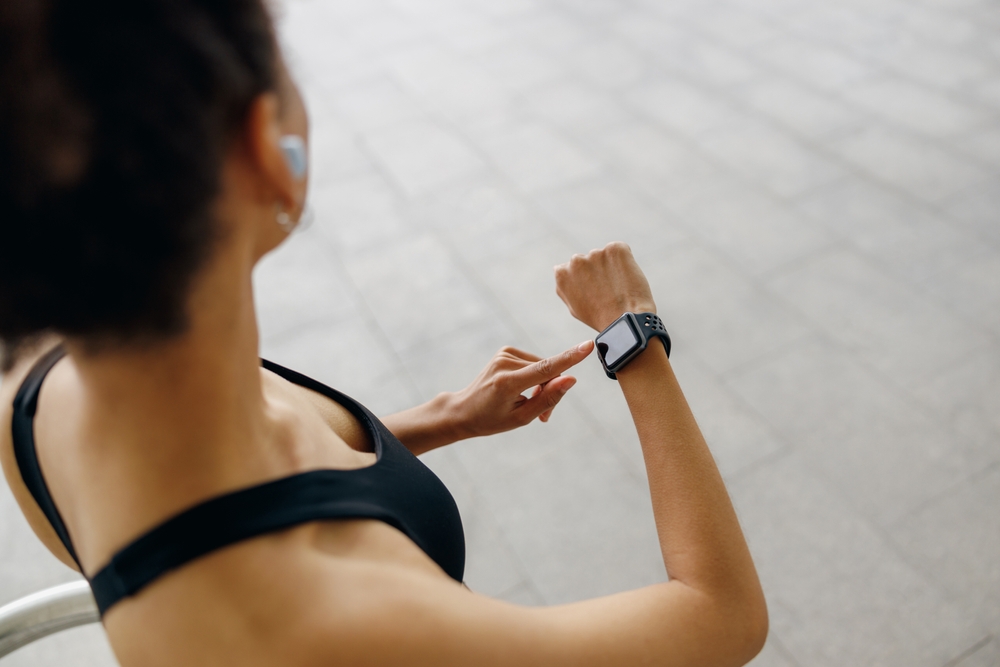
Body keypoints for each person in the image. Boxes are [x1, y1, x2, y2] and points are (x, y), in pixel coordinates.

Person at [0, 1, 767, 665]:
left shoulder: (36, 385)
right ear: (269, 149)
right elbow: (723, 615)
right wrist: (632, 331)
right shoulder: (343, 619)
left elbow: (252, 485)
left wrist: (445, 417)